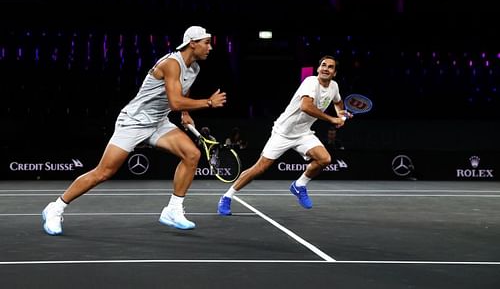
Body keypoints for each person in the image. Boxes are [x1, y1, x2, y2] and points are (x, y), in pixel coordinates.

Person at [42, 25, 227, 234]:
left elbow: (182, 92)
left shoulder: (194, 68)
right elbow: (175, 102)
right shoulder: (171, 64)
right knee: (103, 172)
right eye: (206, 43)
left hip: (158, 122)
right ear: (192, 43)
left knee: (192, 154)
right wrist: (208, 103)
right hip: (133, 122)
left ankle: (173, 210)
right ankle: (55, 208)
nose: (210, 47)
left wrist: (185, 114)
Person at [217, 55, 350, 215]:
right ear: (318, 68)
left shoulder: (334, 86)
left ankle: (299, 185)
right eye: (323, 65)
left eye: (330, 67)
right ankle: (226, 197)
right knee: (260, 168)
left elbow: (337, 101)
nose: (325, 69)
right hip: (283, 132)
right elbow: (306, 106)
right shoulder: (310, 82)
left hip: (304, 133)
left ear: (334, 73)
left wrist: (341, 114)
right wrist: (332, 119)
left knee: (325, 159)